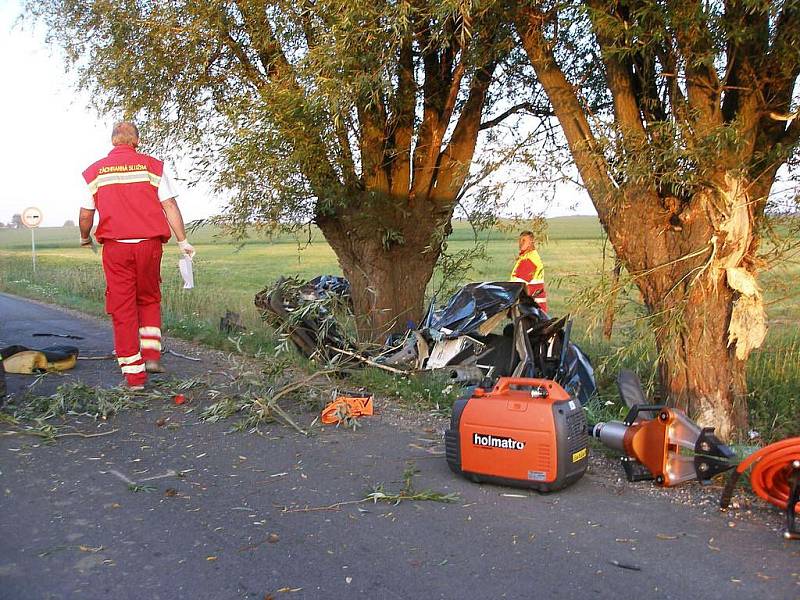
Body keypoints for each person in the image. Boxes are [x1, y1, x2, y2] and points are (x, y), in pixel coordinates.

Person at [79, 121, 196, 390]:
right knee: (149, 298)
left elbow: (86, 214)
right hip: (149, 245)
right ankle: (152, 357)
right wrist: (183, 241)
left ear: (113, 142)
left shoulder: (94, 171)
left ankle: (134, 377)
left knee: (123, 307)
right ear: (137, 141)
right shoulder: (152, 166)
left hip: (116, 247)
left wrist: (85, 237)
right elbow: (169, 204)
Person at [510, 230, 548, 313]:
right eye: (519, 240)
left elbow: (518, 283)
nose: (520, 243)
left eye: (524, 240)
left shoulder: (531, 259)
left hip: (534, 306)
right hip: (530, 305)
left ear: (531, 242)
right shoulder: (525, 257)